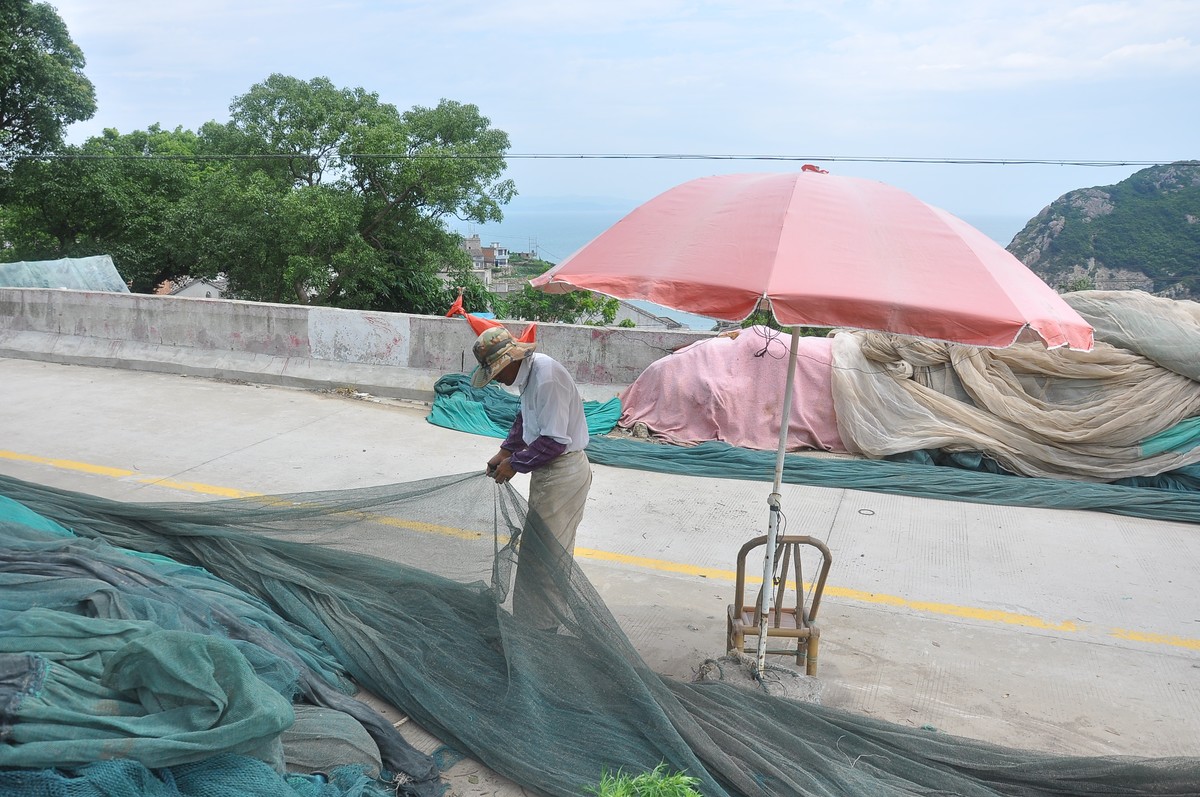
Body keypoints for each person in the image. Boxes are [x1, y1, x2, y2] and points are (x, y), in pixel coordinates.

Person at [470, 326, 592, 630]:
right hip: (549, 472)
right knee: (538, 554)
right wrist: (505, 450)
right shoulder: (531, 376)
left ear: (511, 361)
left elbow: (554, 441)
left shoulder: (546, 378)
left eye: (497, 372)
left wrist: (515, 464)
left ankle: (542, 631)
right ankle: (533, 623)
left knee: (545, 559)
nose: (496, 379)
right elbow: (526, 418)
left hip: (562, 473)